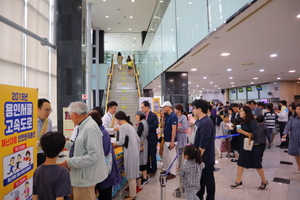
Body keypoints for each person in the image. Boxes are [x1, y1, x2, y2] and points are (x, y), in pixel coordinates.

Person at [60, 102, 108, 200]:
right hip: (82, 175)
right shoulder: (83, 126)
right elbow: (79, 146)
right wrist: (62, 143)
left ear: (74, 114)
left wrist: (70, 162)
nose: (70, 118)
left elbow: (94, 155)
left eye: (70, 115)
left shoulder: (89, 128)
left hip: (85, 178)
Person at [230, 106, 268, 190]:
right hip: (245, 146)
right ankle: (238, 180)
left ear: (246, 113)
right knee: (240, 163)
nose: (240, 113)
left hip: (253, 146)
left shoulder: (252, 122)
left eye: (241, 111)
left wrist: (242, 132)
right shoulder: (242, 122)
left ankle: (264, 181)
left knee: (257, 165)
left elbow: (254, 135)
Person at [88, 109, 121, 200]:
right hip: (104, 172)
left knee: (105, 195)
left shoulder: (102, 134)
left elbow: (104, 152)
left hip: (106, 172)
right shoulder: (99, 132)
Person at [33, 131, 72, 200]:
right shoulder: (63, 172)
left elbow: (35, 197)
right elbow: (60, 198)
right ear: (62, 149)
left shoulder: (38, 170)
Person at [190, 99, 215, 200]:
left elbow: (203, 143)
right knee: (200, 180)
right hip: (199, 156)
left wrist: (197, 158)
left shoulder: (206, 123)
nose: (192, 110)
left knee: (208, 179)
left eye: (194, 108)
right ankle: (199, 196)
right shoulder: (199, 120)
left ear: (199, 109)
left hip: (205, 158)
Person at [113, 111, 140, 200]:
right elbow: (138, 139)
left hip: (130, 154)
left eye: (116, 120)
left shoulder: (123, 127)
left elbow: (121, 142)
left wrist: (113, 143)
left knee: (130, 174)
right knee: (133, 174)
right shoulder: (129, 125)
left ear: (119, 119)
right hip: (135, 153)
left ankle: (132, 196)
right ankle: (133, 193)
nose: (116, 122)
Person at [141, 101, 159, 178]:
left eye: (143, 107)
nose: (142, 109)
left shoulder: (153, 115)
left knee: (153, 155)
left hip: (152, 138)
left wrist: (146, 126)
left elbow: (155, 125)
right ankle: (148, 169)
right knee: (146, 155)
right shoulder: (143, 116)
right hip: (145, 139)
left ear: (147, 107)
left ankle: (154, 170)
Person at [161, 101, 178, 180]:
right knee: (166, 156)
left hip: (171, 140)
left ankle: (173, 173)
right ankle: (167, 170)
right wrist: (162, 117)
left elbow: (174, 129)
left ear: (168, 106)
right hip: (166, 139)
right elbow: (163, 126)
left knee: (171, 156)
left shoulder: (173, 116)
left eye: (164, 107)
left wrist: (172, 141)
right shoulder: (167, 116)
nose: (163, 109)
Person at [282, 104, 300, 173]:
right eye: (297, 109)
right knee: (296, 154)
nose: (298, 111)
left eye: (299, 109)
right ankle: (299, 167)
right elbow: (288, 126)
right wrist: (285, 133)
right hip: (294, 138)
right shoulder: (292, 118)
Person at [135, 110, 149, 186]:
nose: (135, 117)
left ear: (139, 115)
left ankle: (145, 178)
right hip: (144, 142)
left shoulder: (141, 123)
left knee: (142, 161)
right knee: (143, 160)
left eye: (136, 116)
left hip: (141, 144)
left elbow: (138, 134)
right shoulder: (145, 122)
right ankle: (145, 176)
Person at [37, 98, 53, 166]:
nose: (48, 112)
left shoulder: (48, 122)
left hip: (45, 154)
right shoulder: (29, 122)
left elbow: (49, 136)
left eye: (50, 110)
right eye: (46, 110)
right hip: (32, 154)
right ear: (38, 109)